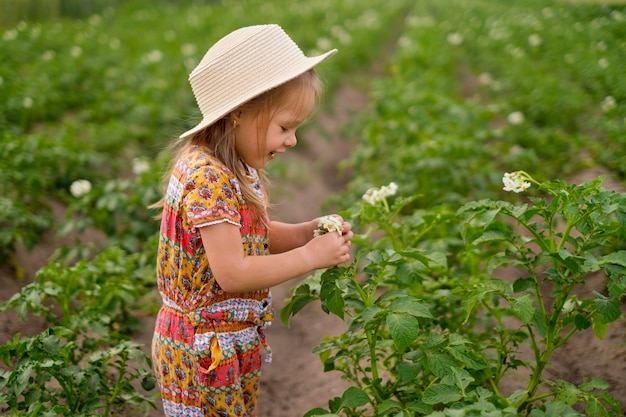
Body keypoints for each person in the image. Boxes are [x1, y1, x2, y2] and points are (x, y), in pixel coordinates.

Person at [151, 24, 353, 417]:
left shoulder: (233, 166)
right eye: (284, 127)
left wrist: (303, 234)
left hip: (226, 344)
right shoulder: (207, 177)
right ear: (240, 113)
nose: (292, 140)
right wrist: (310, 256)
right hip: (202, 353)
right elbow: (233, 272)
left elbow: (250, 239)